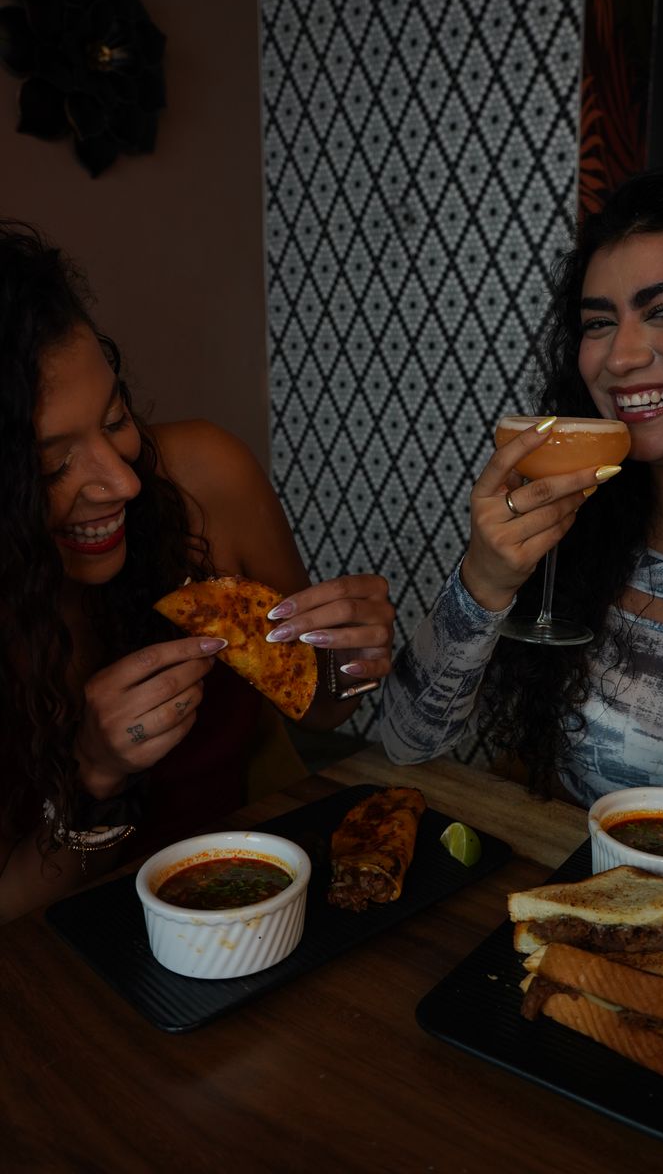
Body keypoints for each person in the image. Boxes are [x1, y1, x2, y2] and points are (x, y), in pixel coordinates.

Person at [380, 160, 663, 852]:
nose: (620, 357)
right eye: (598, 323)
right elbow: (404, 743)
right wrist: (483, 579)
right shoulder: (577, 536)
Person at [0, 220, 394, 924]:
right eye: (54, 463)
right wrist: (97, 774)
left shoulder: (204, 479)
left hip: (255, 911)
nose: (121, 482)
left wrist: (350, 658)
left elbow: (324, 702)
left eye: (115, 418)